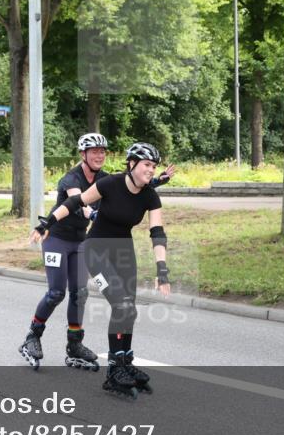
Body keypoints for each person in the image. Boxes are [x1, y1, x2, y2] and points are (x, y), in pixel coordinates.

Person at [31, 142, 171, 399]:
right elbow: (76, 201)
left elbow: (157, 233)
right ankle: (114, 373)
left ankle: (125, 362)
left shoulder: (150, 195)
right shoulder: (111, 184)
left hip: (123, 251)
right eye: (146, 165)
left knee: (130, 308)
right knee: (121, 305)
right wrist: (46, 224)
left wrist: (162, 268)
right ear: (132, 164)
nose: (151, 170)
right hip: (97, 250)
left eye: (153, 166)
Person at [18, 133, 109, 372]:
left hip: (79, 242)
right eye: (94, 151)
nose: (99, 155)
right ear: (83, 155)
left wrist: (150, 182)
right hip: (56, 239)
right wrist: (94, 215)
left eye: (102, 151)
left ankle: (74, 345)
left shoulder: (105, 179)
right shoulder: (71, 178)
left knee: (79, 293)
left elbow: (125, 190)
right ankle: (32, 337)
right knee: (57, 293)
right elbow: (80, 202)